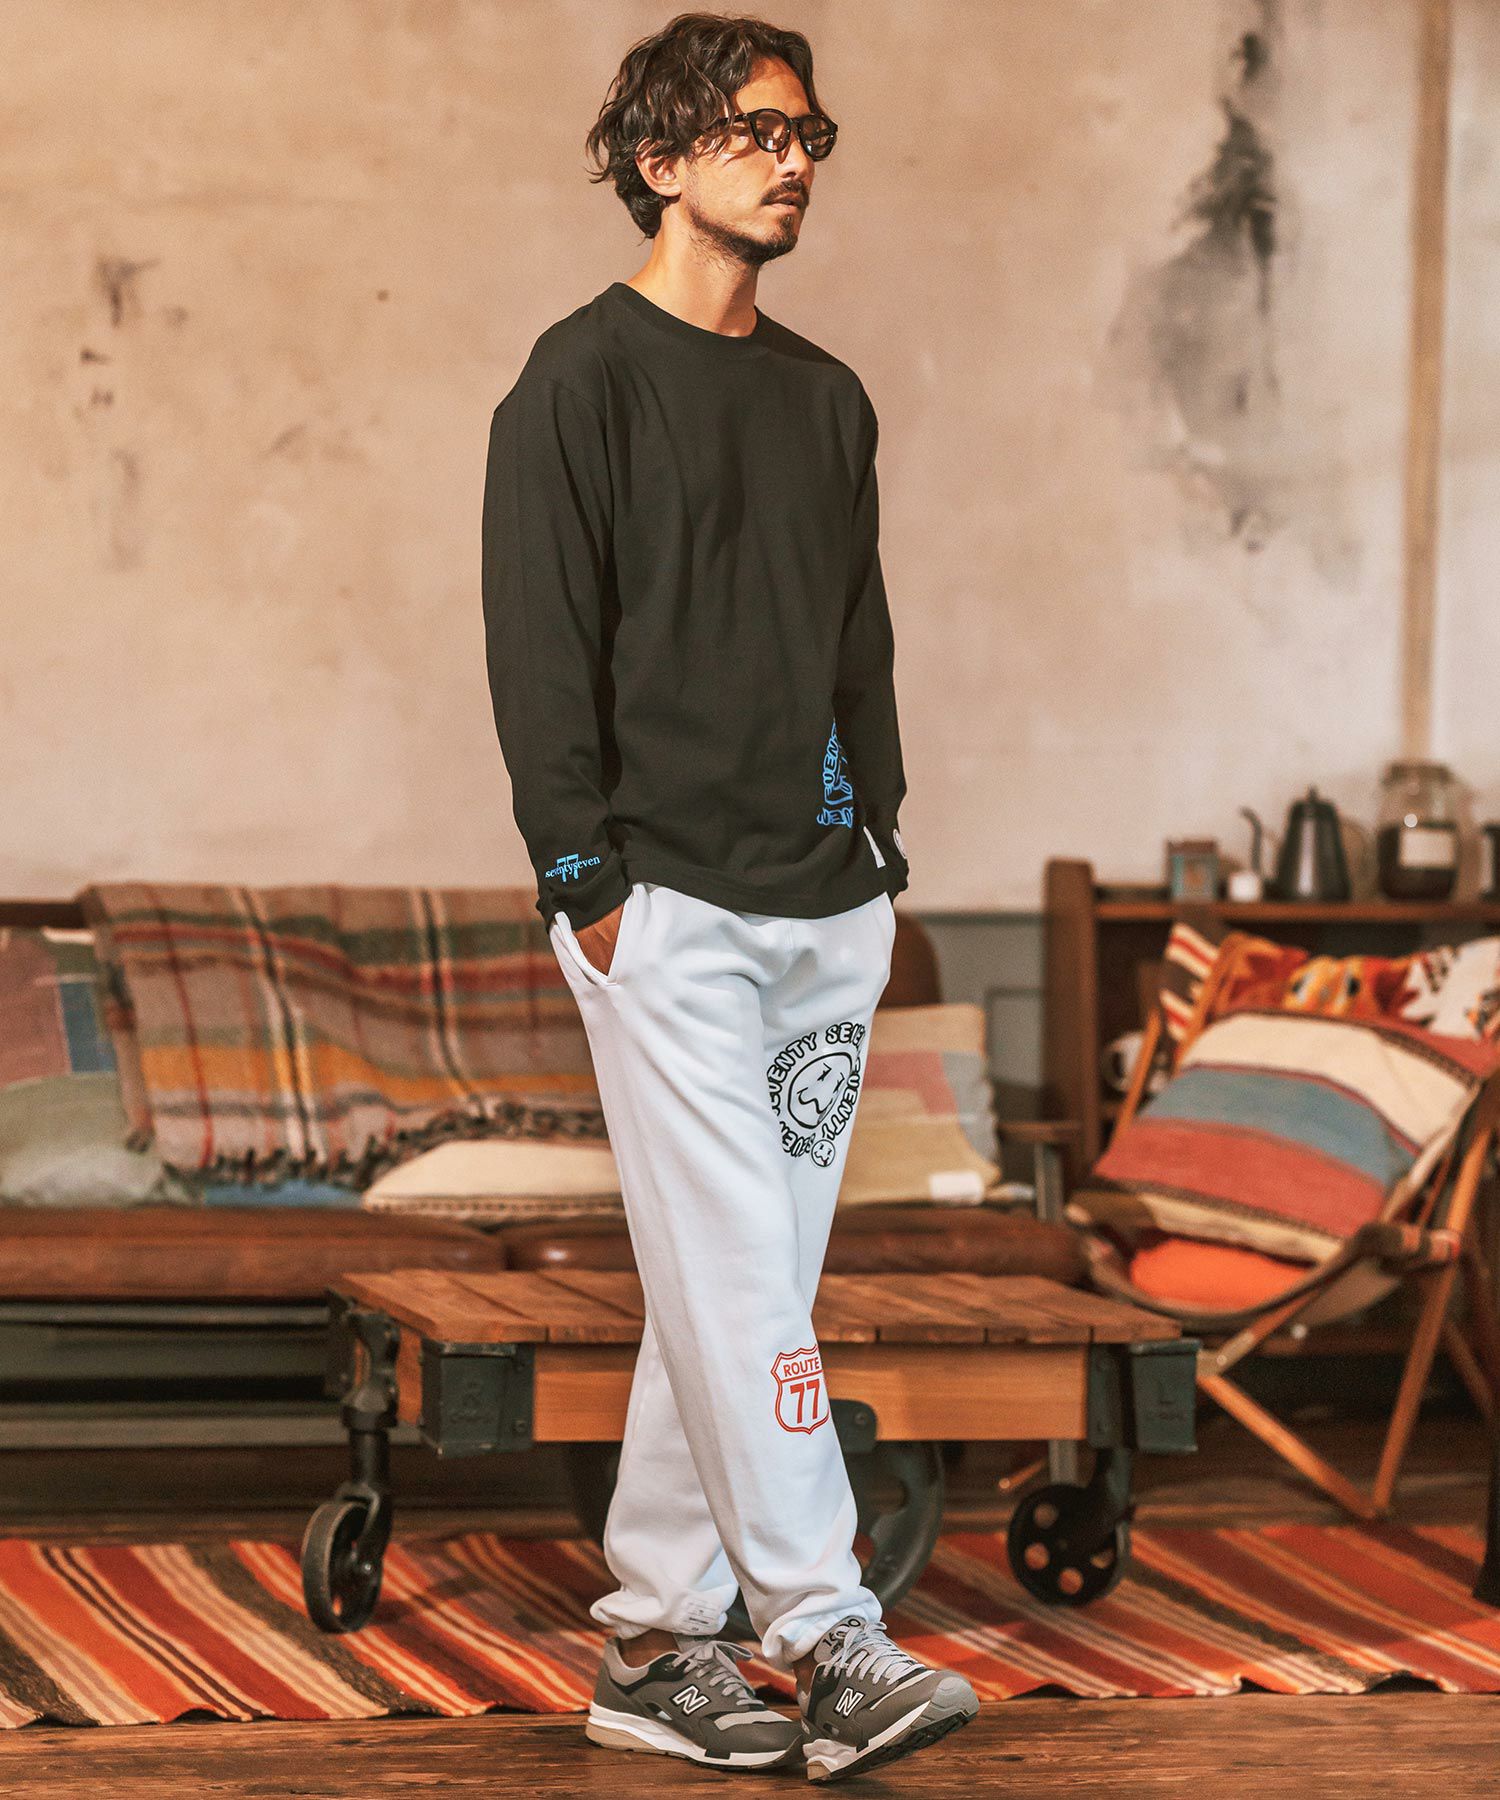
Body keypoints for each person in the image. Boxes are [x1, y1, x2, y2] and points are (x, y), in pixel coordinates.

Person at [481, 10, 978, 1782]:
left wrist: (879, 855)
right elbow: (540, 654)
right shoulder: (576, 384)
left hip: (825, 909)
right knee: (748, 1281)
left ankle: (652, 1642)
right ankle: (828, 1636)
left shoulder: (826, 399)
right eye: (759, 131)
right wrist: (586, 884)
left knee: (734, 1276)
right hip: (666, 908)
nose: (794, 161)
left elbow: (858, 646)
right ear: (660, 155)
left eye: (808, 135)